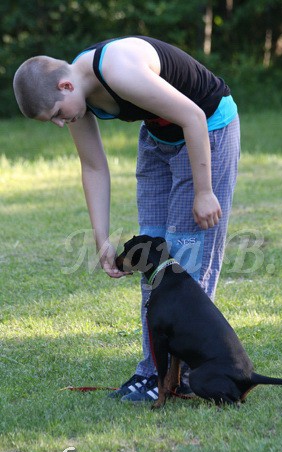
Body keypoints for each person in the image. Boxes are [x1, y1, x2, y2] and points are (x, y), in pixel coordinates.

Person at [13, 35, 240, 402]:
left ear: (65, 85)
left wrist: (204, 191)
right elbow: (93, 166)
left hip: (206, 131)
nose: (60, 124)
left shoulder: (117, 70)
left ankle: (180, 374)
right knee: (151, 260)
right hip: (157, 138)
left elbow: (194, 116)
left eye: (56, 114)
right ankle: (152, 372)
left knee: (185, 259)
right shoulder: (75, 94)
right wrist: (101, 238)